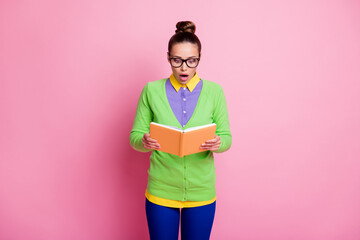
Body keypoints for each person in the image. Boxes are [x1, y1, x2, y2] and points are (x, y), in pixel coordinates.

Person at [129, 21, 232, 240]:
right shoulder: (151, 90)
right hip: (161, 192)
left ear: (199, 58)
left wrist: (218, 143)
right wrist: (144, 141)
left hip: (201, 192)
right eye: (177, 60)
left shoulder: (215, 92)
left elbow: (226, 137)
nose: (184, 68)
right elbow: (135, 136)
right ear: (168, 57)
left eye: (191, 61)